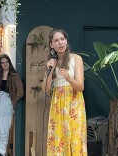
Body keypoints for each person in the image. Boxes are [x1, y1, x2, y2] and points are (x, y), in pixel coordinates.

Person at [42, 28, 87, 156]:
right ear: (51, 45)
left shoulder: (76, 59)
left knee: (75, 138)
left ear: (66, 41)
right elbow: (45, 88)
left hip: (74, 103)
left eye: (62, 39)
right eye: (56, 40)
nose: (60, 43)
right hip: (58, 104)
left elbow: (80, 87)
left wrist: (69, 78)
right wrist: (49, 69)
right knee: (58, 138)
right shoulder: (51, 63)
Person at [0, 54, 24, 156]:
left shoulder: (14, 76)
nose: (5, 64)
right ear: (0, 64)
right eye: (2, 63)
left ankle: (1, 152)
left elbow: (20, 92)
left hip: (7, 101)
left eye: (6, 62)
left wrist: (12, 101)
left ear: (9, 62)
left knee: (4, 128)